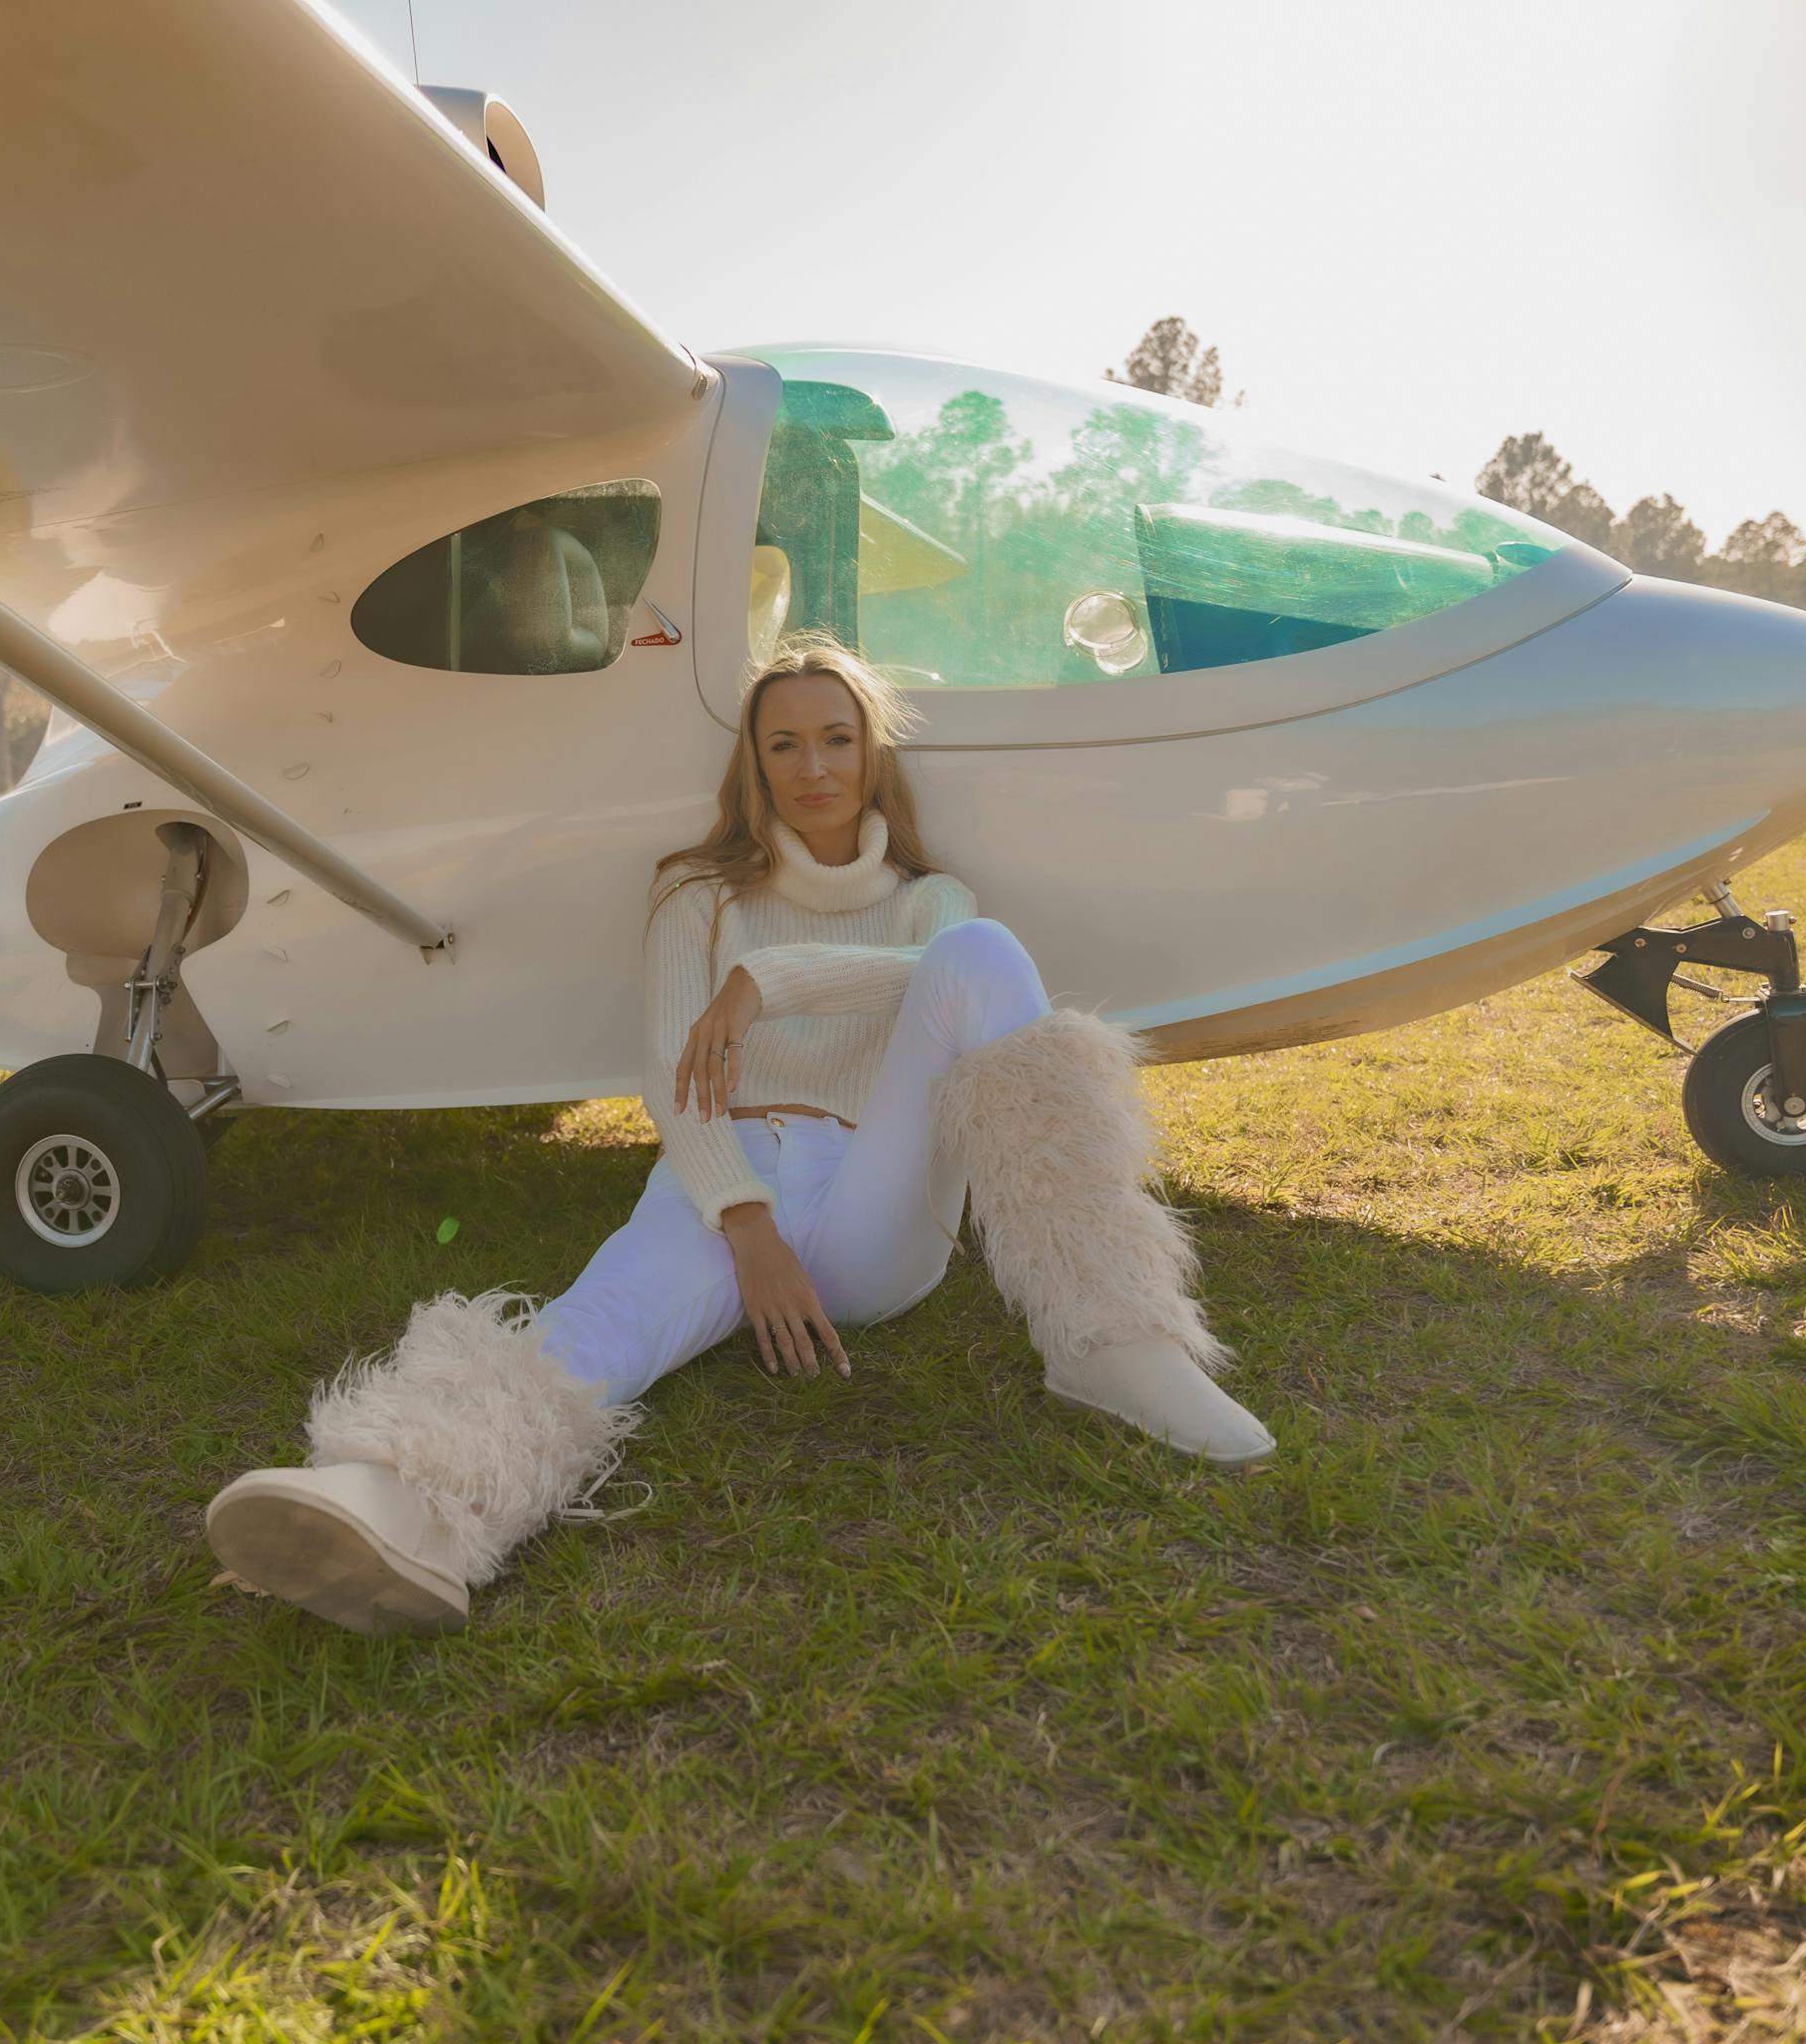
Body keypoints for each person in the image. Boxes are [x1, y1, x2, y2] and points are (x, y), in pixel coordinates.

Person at [205, 633, 1273, 1634]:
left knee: (986, 955)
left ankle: (1112, 1341)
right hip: (723, 1181)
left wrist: (772, 979)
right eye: (785, 744)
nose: (815, 765)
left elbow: (943, 983)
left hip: (875, 1191)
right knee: (591, 1335)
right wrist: (746, 1225)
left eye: (838, 737)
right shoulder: (696, 893)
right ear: (754, 767)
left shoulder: (931, 900)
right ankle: (396, 1506)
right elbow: (677, 1080)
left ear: (872, 752)